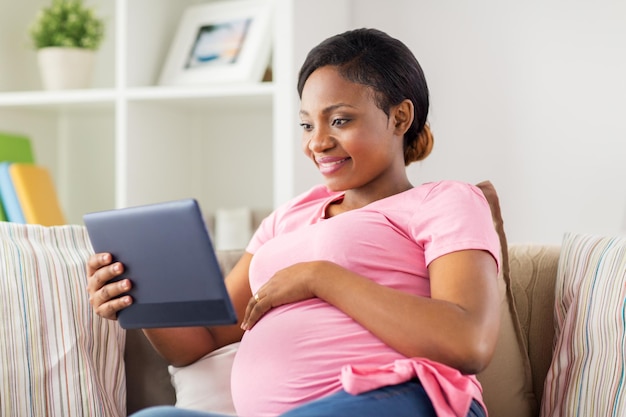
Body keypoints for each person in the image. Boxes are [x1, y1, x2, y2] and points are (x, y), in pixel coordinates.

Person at [87, 28, 500, 417]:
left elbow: (467, 342)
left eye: (340, 120)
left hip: (408, 396)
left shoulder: (445, 200)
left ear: (400, 117)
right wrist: (138, 297)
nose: (317, 143)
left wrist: (320, 277)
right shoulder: (288, 217)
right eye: (306, 124)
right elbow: (206, 340)